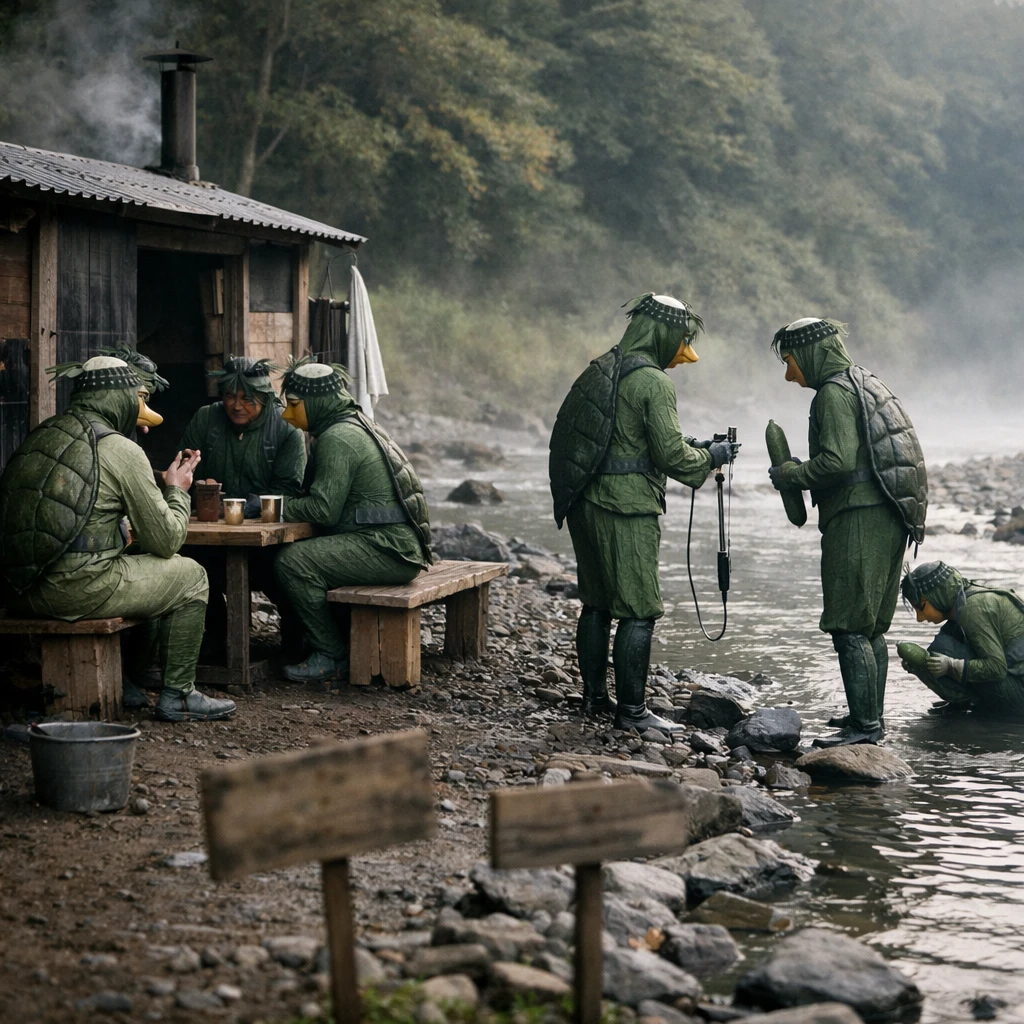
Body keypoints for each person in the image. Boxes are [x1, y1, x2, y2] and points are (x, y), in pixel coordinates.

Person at [0, 353, 235, 722]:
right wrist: (177, 489)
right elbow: (167, 541)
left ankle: (131, 678)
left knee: (141, 560)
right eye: (139, 397)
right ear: (121, 397)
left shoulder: (46, 434)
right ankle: (179, 695)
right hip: (75, 589)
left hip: (20, 590)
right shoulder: (122, 450)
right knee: (190, 576)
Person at [548, 293, 740, 736]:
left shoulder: (601, 368)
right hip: (627, 506)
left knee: (596, 604)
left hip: (584, 501)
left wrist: (694, 445)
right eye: (682, 339)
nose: (684, 351)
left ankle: (594, 697)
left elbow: (618, 435)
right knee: (639, 610)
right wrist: (711, 457)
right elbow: (671, 456)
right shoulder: (654, 382)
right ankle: (632, 712)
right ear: (666, 333)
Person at [768, 318, 927, 746]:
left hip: (859, 518)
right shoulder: (866, 382)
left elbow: (836, 463)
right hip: (892, 515)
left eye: (791, 362)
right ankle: (870, 719)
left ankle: (864, 728)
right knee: (871, 628)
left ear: (811, 353)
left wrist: (790, 474)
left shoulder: (832, 394)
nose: (790, 375)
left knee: (849, 627)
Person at [272, 359, 432, 683]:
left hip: (388, 550)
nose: (287, 414)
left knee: (293, 562)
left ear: (315, 403)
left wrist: (273, 507)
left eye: (293, 405)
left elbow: (323, 510)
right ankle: (313, 640)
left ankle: (332, 654)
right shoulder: (352, 423)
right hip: (393, 545)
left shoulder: (338, 438)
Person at [178, 357, 307, 659]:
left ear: (263, 397)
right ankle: (215, 637)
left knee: (288, 576)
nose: (237, 406)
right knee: (190, 569)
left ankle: (295, 645)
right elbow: (184, 468)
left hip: (270, 541)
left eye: (247, 399)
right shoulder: (205, 419)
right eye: (230, 397)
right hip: (210, 534)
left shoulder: (286, 429)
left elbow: (289, 490)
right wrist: (193, 476)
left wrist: (252, 506)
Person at [899, 561, 1024, 715]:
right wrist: (920, 669)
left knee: (942, 649)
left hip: (1019, 691)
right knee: (943, 646)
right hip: (1015, 680)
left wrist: (951, 666)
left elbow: (996, 668)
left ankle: (974, 703)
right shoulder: (963, 600)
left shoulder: (971, 609)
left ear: (937, 596)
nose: (920, 618)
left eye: (921, 607)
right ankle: (965, 702)